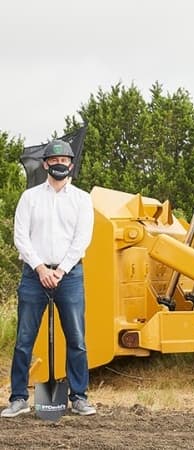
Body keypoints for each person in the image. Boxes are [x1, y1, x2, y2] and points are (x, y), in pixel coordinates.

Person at [3, 139, 95, 418]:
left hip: (69, 275)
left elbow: (82, 239)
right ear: (45, 164)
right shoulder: (29, 197)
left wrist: (60, 270)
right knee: (24, 339)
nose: (59, 164)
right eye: (53, 161)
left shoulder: (82, 199)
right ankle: (18, 398)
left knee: (76, 339)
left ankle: (79, 397)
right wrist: (41, 269)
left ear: (71, 164)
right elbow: (20, 236)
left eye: (64, 161)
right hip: (34, 275)